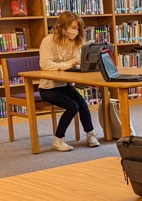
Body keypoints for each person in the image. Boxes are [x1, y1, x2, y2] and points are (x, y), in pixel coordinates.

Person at [39, 11, 100, 152]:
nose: (75, 31)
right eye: (73, 27)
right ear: (62, 26)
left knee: (82, 104)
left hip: (65, 85)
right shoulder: (48, 41)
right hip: (49, 88)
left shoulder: (76, 41)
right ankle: (58, 139)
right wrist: (67, 65)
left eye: (78, 28)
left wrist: (64, 64)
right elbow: (45, 64)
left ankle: (90, 134)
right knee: (73, 106)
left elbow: (77, 59)